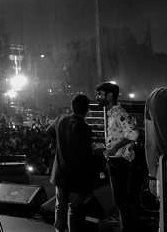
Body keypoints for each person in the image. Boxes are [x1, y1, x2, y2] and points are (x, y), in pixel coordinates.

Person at [49, 94, 94, 232]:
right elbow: (86, 156)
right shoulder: (84, 128)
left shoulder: (60, 119)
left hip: (60, 173)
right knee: (75, 210)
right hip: (77, 176)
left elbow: (48, 131)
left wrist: (62, 138)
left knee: (60, 207)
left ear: (72, 107)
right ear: (87, 109)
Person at [97, 82, 138, 231]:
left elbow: (133, 133)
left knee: (121, 201)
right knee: (122, 200)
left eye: (100, 94)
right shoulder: (112, 113)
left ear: (109, 96)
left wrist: (115, 148)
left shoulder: (119, 113)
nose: (98, 97)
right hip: (116, 161)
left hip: (120, 163)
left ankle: (128, 228)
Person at [145, 87, 167, 232]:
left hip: (164, 171)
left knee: (164, 220)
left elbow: (150, 143)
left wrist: (153, 177)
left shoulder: (154, 97)